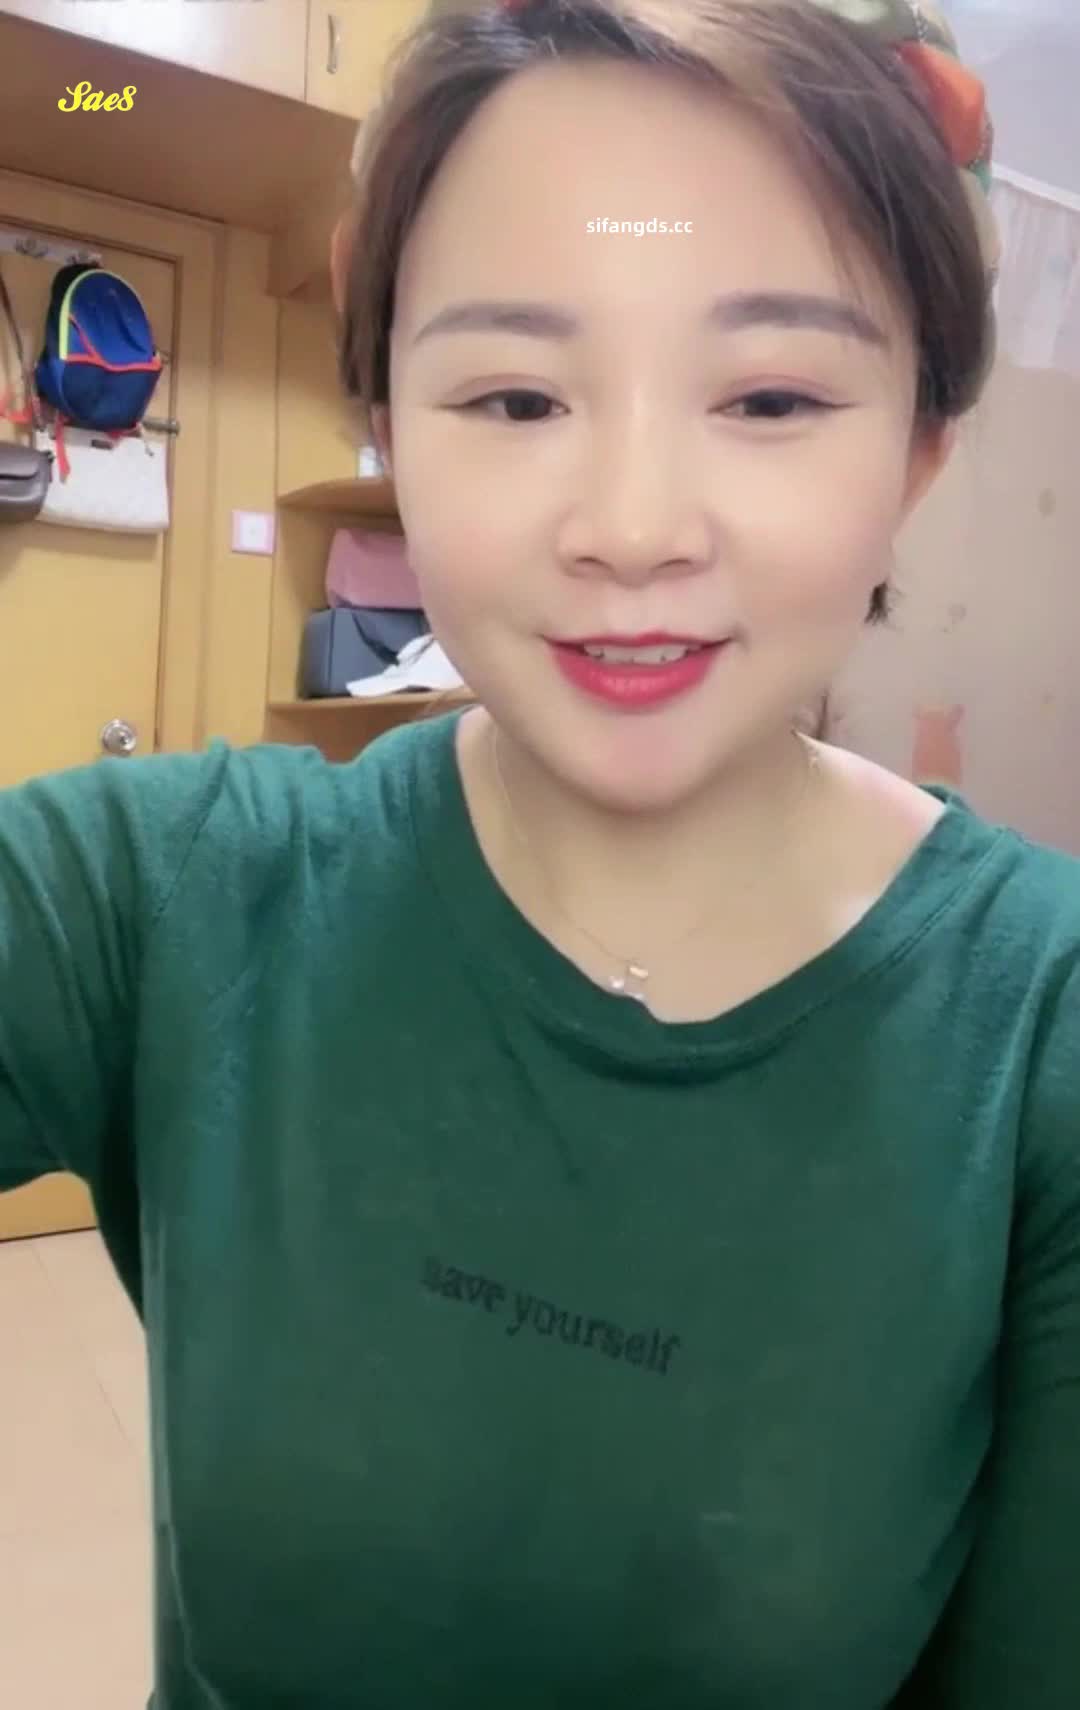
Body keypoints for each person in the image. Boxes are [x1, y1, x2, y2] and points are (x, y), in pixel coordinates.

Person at [2, 1, 1077, 1703]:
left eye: (771, 395)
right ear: (387, 419)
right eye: (514, 395)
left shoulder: (1042, 1034)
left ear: (918, 452)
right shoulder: (163, 892)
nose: (631, 529)